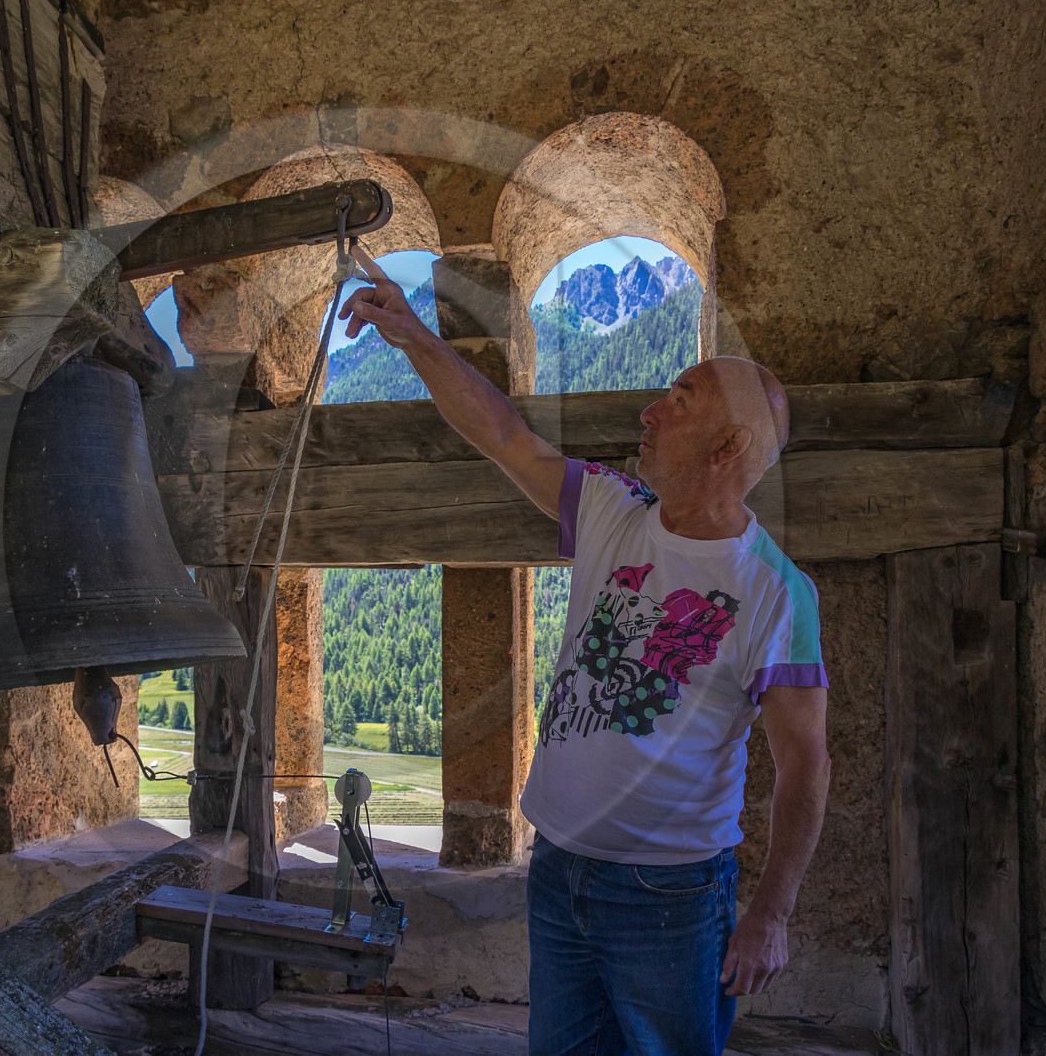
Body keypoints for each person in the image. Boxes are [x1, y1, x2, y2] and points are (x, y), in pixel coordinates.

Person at [338, 246, 830, 1056]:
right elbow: (503, 434)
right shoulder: (613, 508)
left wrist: (770, 914)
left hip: (668, 898)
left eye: (680, 398)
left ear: (725, 449)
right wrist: (411, 335)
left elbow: (806, 766)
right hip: (558, 870)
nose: (650, 411)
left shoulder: (779, 595)